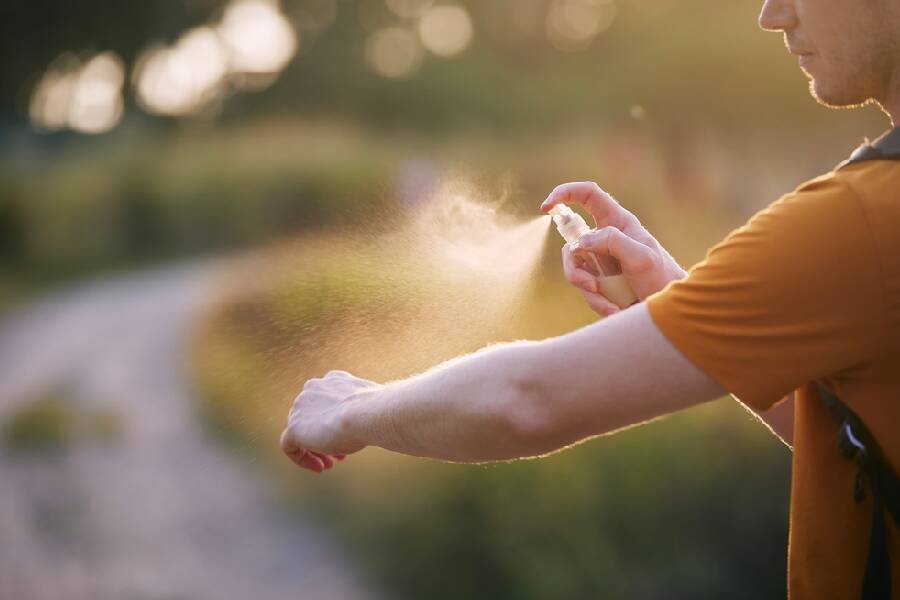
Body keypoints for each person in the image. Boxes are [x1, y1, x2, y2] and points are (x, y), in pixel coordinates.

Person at [280, 0, 900, 597]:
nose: (772, 14)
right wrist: (679, 304)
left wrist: (353, 408)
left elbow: (529, 400)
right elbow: (853, 438)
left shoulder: (860, 219)